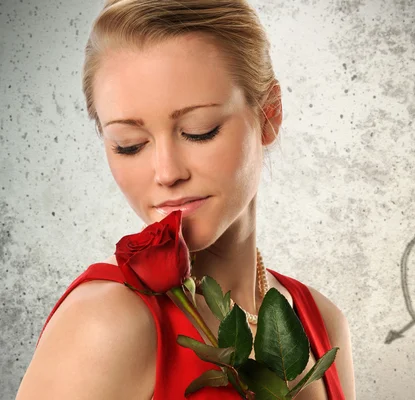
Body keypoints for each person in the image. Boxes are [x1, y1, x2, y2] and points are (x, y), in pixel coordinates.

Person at [15, 0, 355, 399]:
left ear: (269, 114)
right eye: (129, 145)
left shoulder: (322, 322)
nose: (166, 172)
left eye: (199, 131)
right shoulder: (106, 323)